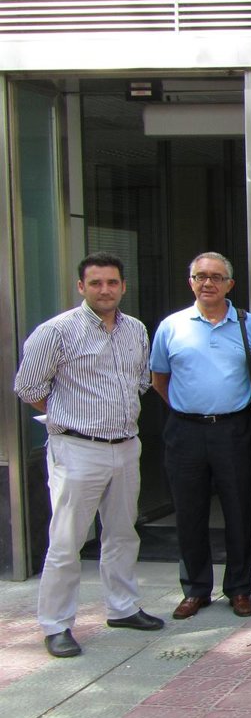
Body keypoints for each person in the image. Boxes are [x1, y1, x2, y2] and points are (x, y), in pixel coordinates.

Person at [14, 253, 163, 657]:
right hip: (77, 448)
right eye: (95, 283)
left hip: (126, 446)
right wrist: (70, 416)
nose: (105, 290)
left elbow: (139, 382)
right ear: (81, 287)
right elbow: (29, 387)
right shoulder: (56, 332)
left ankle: (123, 607)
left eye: (112, 282)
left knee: (122, 533)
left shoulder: (135, 329)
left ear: (123, 286)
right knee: (67, 541)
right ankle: (56, 624)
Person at [151, 251, 251, 620]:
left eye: (216, 277)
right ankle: (195, 589)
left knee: (238, 511)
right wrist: (188, 407)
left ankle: (240, 588)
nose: (208, 283)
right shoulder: (172, 326)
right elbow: (159, 379)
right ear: (191, 282)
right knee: (189, 512)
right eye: (201, 276)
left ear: (230, 284)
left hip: (233, 429)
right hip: (184, 430)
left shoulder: (249, 325)